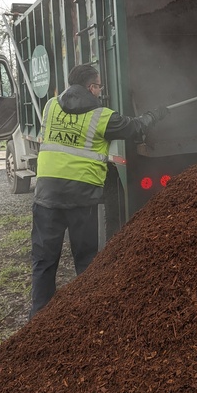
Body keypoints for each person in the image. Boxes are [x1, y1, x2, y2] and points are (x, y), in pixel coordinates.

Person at [30, 63, 167, 317]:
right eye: (99, 87)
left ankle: (38, 319)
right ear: (91, 87)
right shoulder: (101, 116)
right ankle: (89, 315)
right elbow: (134, 127)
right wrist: (154, 115)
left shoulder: (49, 107)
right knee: (86, 261)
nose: (100, 91)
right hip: (81, 198)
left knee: (43, 261)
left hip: (46, 195)